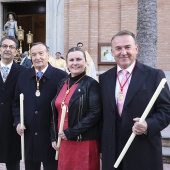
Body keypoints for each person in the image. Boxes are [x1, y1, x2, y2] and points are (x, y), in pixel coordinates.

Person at [99, 30, 170, 170]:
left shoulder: (154, 75)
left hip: (142, 149)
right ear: (112, 52)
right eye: (118, 48)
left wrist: (148, 124)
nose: (123, 52)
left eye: (127, 47)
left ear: (136, 49)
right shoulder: (104, 78)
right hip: (112, 150)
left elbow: (167, 109)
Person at [13, 42, 67, 170]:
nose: (37, 57)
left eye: (41, 53)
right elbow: (16, 103)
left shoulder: (61, 76)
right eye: (34, 54)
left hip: (51, 137)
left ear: (48, 55)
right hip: (30, 135)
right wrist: (18, 122)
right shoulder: (23, 76)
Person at [51, 47, 102, 170]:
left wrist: (71, 132)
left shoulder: (91, 84)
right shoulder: (62, 83)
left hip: (84, 141)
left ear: (85, 62)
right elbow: (54, 111)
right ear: (67, 63)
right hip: (63, 141)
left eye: (79, 59)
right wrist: (53, 137)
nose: (75, 63)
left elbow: (95, 113)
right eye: (71, 60)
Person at [0, 36, 26, 170]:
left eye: (11, 47)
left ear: (16, 51)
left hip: (13, 124)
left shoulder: (24, 72)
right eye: (5, 46)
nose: (7, 49)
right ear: (0, 49)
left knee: (13, 162)